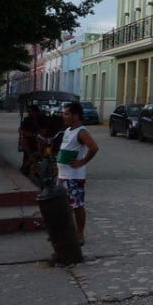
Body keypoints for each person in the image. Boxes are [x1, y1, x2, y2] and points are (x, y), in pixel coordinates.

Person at [57, 101, 99, 245]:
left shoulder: (81, 132)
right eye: (64, 114)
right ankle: (65, 232)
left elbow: (94, 148)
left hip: (74, 177)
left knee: (77, 205)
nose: (64, 116)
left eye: (67, 114)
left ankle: (80, 234)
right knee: (62, 206)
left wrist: (82, 162)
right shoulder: (68, 130)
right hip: (63, 176)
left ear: (75, 115)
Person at [18, 104, 43, 175]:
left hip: (39, 138)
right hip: (29, 139)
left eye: (30, 112)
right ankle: (29, 160)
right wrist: (26, 133)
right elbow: (20, 129)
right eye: (28, 112)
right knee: (24, 142)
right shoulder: (27, 119)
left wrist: (37, 134)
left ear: (36, 112)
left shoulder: (41, 119)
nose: (29, 113)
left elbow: (43, 131)